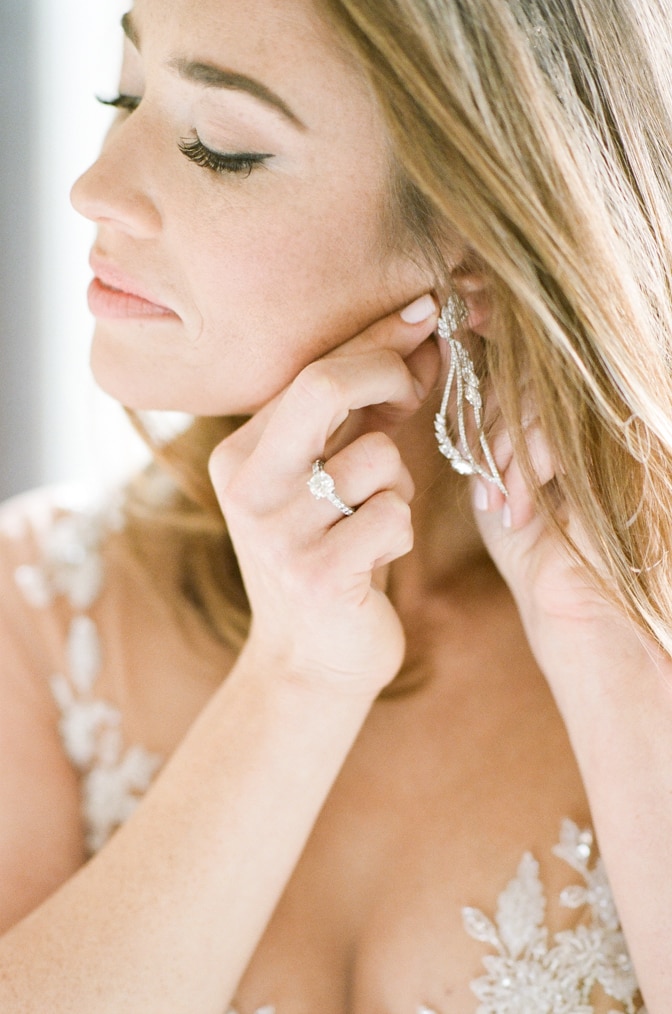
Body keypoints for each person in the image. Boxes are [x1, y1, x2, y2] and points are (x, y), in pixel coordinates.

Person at [0, 0, 671, 1009]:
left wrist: (612, 651)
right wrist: (296, 676)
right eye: (123, 93)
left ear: (478, 242)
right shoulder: (42, 611)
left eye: (216, 146)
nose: (94, 188)